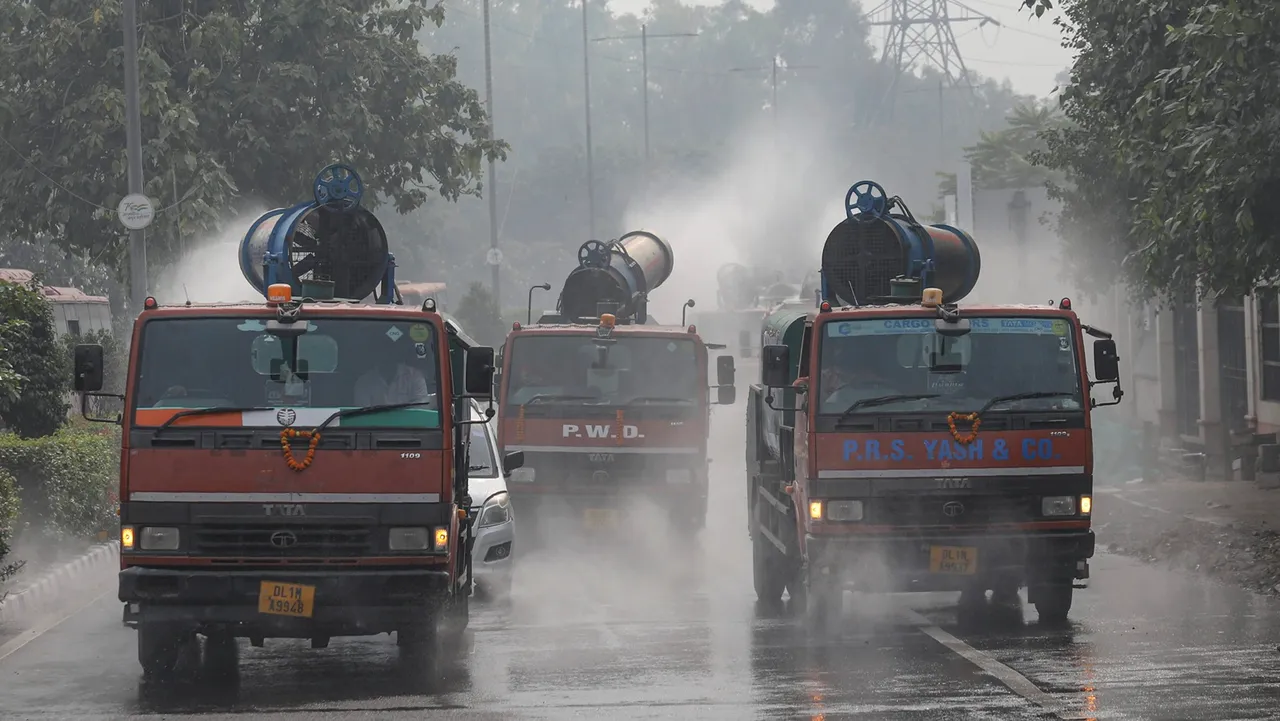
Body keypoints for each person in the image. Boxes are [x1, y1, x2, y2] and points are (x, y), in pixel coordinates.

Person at [354, 356, 433, 407]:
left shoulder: (415, 376)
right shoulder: (364, 381)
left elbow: (420, 409)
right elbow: (363, 413)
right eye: (382, 352)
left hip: (410, 428)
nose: (387, 357)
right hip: (375, 429)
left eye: (389, 353)